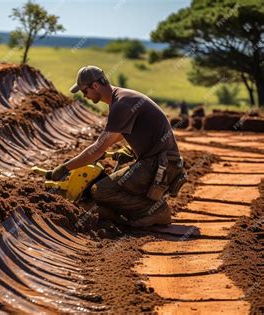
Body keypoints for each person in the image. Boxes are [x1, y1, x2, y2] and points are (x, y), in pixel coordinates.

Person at [50, 65, 186, 227]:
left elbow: (98, 148)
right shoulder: (123, 98)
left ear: (95, 86)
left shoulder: (121, 104)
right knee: (111, 188)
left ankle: (155, 211)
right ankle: (126, 212)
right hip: (163, 162)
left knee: (101, 191)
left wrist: (65, 168)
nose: (85, 97)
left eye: (84, 91)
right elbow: (120, 135)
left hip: (158, 166)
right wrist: (128, 150)